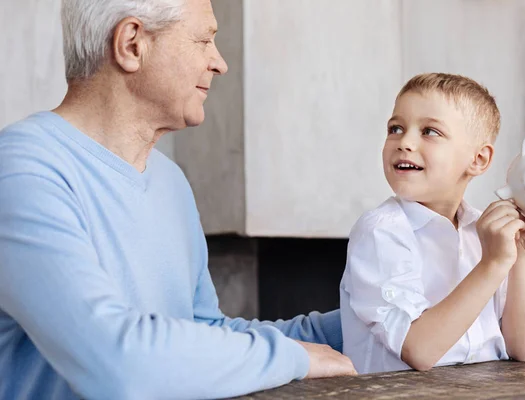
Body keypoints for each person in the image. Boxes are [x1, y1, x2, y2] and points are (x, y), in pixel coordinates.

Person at [0, 0, 356, 399]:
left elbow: (205, 335)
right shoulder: (20, 171)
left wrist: (368, 324)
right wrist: (295, 358)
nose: (219, 63)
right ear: (132, 45)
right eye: (204, 39)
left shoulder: (169, 181)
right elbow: (117, 362)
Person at [340, 73, 525, 374]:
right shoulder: (381, 232)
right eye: (396, 128)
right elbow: (419, 351)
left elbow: (523, 346)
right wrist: (492, 265)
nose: (405, 142)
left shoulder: (485, 230)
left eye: (429, 131)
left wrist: (520, 253)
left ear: (478, 160)